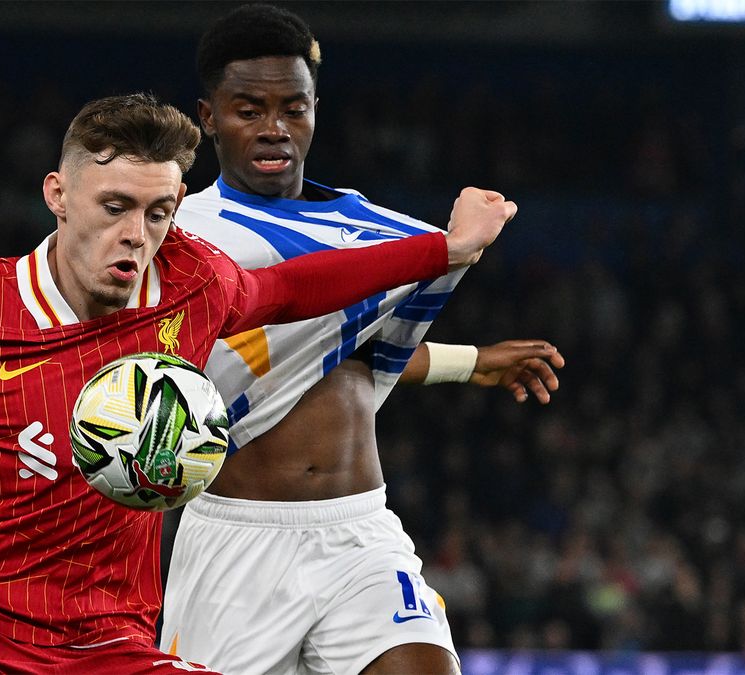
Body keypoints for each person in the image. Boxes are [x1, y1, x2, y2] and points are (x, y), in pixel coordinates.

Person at [0, 93, 514, 674]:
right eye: (114, 207)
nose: (138, 234)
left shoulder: (193, 281)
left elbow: (294, 289)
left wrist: (447, 247)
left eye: (159, 210)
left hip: (108, 635)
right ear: (57, 195)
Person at [159, 6, 564, 675]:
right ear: (208, 116)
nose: (273, 128)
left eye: (293, 107)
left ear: (316, 109)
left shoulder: (369, 230)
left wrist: (470, 361)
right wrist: (446, 252)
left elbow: (338, 357)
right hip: (235, 543)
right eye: (248, 108)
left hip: (359, 532)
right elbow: (263, 363)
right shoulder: (186, 237)